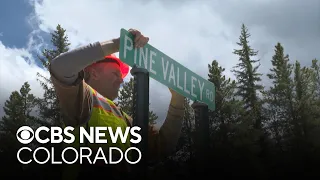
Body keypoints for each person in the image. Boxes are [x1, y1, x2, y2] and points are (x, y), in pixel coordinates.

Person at [49, 28, 185, 179]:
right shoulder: (82, 98)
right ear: (94, 73)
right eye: (115, 74)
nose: (121, 80)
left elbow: (162, 146)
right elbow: (59, 67)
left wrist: (178, 100)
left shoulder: (125, 119)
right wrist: (118, 44)